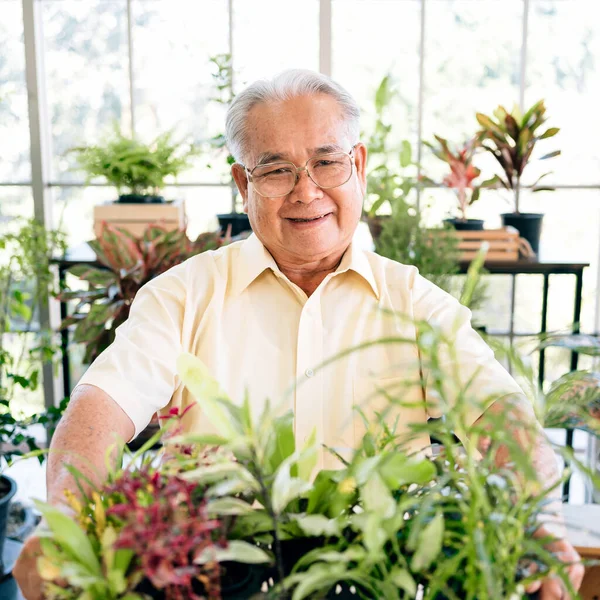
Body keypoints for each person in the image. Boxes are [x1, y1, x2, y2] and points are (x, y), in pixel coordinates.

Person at [15, 70, 583, 599]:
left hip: (376, 582)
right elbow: (99, 411)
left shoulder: (416, 304)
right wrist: (64, 520)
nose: (306, 192)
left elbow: (500, 416)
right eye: (276, 169)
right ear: (243, 182)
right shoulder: (181, 296)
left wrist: (541, 524)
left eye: (327, 162)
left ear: (358, 164)